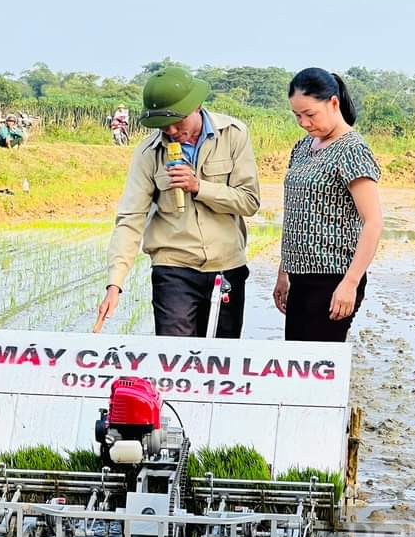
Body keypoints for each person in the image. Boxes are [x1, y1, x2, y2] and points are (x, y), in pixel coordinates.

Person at [96, 66, 260, 338]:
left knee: (222, 359)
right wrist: (114, 283)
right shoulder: (149, 152)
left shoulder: (234, 134)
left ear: (197, 106)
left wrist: (199, 187)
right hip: (174, 269)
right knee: (174, 360)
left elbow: (249, 201)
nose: (171, 130)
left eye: (178, 121)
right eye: (163, 123)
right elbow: (130, 218)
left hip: (227, 267)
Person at [273, 69, 383, 342]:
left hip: (333, 278)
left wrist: (350, 282)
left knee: (318, 369)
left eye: (310, 114)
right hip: (300, 277)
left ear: (333, 103)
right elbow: (295, 214)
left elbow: (373, 221)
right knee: (297, 366)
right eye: (297, 115)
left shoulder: (352, 149)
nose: (304, 122)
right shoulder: (302, 148)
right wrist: (283, 272)